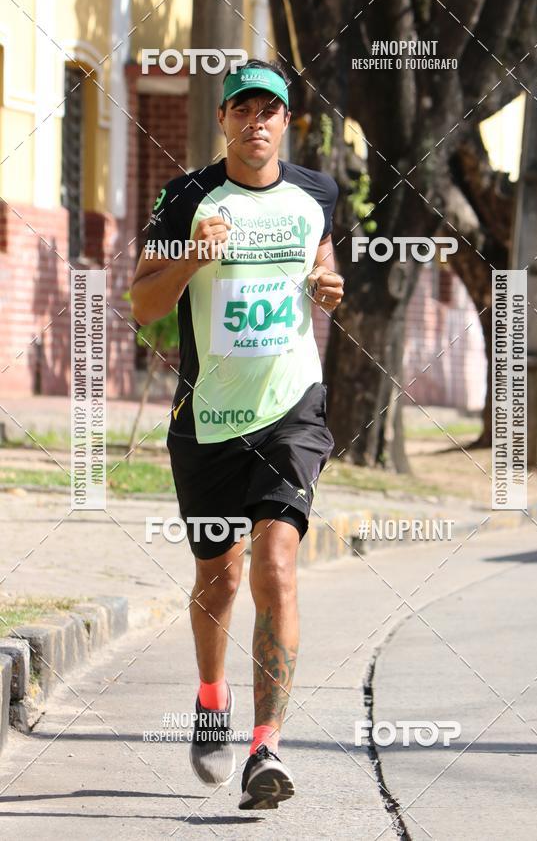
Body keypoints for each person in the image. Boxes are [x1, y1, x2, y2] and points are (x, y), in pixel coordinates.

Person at [129, 58, 344, 810]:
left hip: (292, 408)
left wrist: (330, 287)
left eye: (269, 111)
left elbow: (325, 269)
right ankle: (212, 697)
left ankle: (265, 748)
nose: (256, 122)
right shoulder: (187, 196)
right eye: (243, 110)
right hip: (209, 419)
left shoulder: (317, 193)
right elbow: (142, 305)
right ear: (222, 119)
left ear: (286, 122)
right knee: (218, 578)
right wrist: (194, 255)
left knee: (276, 565)